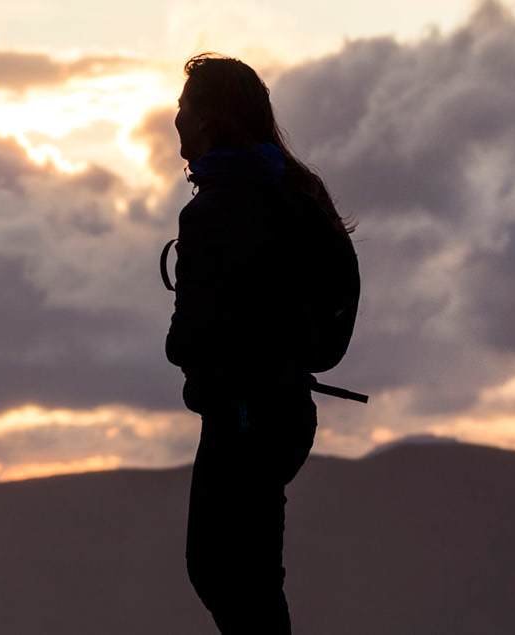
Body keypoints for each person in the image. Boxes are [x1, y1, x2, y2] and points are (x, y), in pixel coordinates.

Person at [165, 53, 353, 634]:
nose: (175, 119)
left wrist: (194, 350)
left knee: (222, 569)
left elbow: (189, 335)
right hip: (286, 410)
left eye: (184, 107)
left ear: (211, 118)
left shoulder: (219, 209)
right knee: (247, 572)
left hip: (241, 417)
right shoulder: (295, 191)